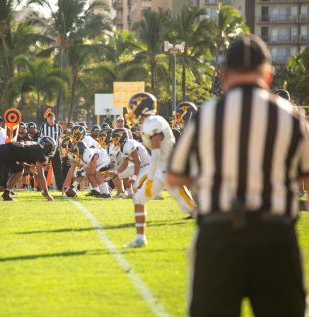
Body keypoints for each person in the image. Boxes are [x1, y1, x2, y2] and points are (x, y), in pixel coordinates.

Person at [167, 35, 309, 316]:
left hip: (219, 234)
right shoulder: (291, 116)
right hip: (275, 235)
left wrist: (214, 180)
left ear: (224, 75)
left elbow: (174, 176)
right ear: (268, 74)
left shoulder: (207, 115)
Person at [124, 92, 196, 248]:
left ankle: (214, 236)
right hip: (164, 169)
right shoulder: (151, 122)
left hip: (166, 170)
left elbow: (156, 152)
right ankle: (140, 238)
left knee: (191, 208)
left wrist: (149, 178)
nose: (131, 112)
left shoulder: (153, 122)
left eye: (133, 107)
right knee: (139, 199)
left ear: (142, 108)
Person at [0, 137, 57, 202]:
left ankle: (6, 194)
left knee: (19, 170)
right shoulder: (39, 152)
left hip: (5, 151)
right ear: (48, 147)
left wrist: (29, 168)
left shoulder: (34, 146)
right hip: (5, 154)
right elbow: (41, 175)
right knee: (1, 186)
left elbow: (21, 157)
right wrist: (46, 193)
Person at [39, 112, 63, 190]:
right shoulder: (43, 126)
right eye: (49, 118)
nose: (51, 120)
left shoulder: (58, 127)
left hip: (56, 150)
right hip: (46, 151)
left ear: (54, 119)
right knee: (44, 168)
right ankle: (43, 187)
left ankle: (60, 187)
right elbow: (39, 138)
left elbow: (61, 139)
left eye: (52, 118)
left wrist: (61, 150)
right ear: (47, 119)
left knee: (57, 169)